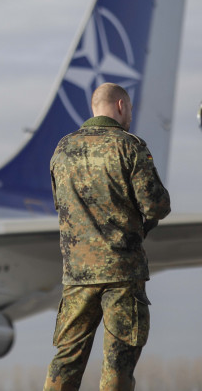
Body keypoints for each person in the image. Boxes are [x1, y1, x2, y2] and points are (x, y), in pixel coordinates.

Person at [43, 82, 171, 391]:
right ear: (120, 107)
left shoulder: (63, 149)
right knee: (118, 362)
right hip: (121, 273)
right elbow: (156, 205)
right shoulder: (130, 146)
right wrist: (140, 228)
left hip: (77, 275)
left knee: (66, 361)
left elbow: (60, 203)